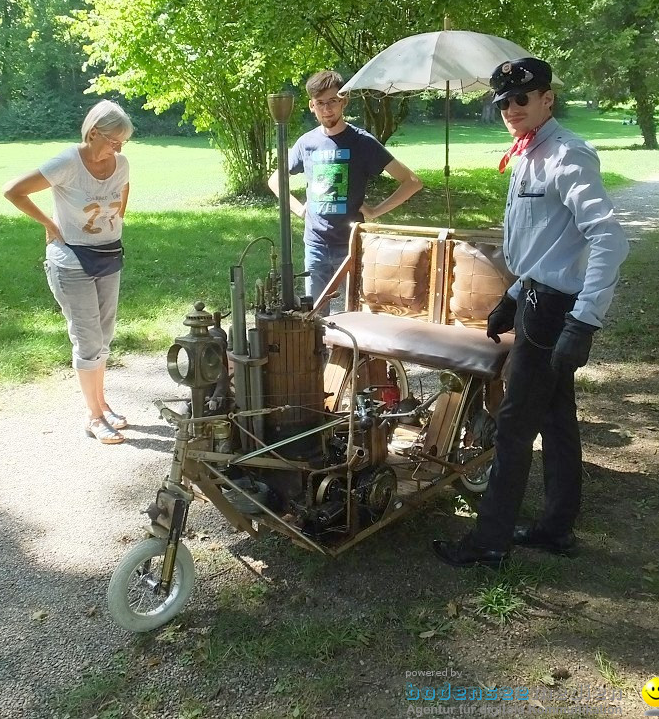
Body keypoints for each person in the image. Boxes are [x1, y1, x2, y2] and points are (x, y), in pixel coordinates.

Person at [433, 57, 629, 567]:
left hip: (555, 311)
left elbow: (608, 238)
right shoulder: (527, 156)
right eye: (502, 102)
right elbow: (546, 245)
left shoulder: (568, 157)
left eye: (521, 99)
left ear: (547, 98)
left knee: (514, 425)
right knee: (557, 419)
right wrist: (513, 294)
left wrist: (586, 319)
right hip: (535, 300)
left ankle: (488, 541)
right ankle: (556, 528)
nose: (511, 109)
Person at [3, 100, 134, 445]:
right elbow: (13, 191)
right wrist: (49, 223)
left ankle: (102, 404)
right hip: (72, 259)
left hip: (109, 255)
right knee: (88, 339)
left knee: (104, 336)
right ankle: (93, 417)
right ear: (93, 133)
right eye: (113, 141)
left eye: (123, 143)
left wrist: (117, 216)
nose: (118, 149)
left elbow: (124, 187)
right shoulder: (67, 162)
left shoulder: (120, 163)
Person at [267, 70, 423, 312]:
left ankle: (350, 352)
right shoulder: (306, 143)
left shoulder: (363, 142)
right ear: (311, 106)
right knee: (315, 314)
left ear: (344, 101)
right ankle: (319, 351)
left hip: (351, 245)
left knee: (355, 313)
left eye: (332, 101)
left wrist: (375, 211)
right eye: (320, 103)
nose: (327, 109)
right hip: (315, 245)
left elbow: (411, 181)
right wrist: (299, 209)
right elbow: (275, 180)